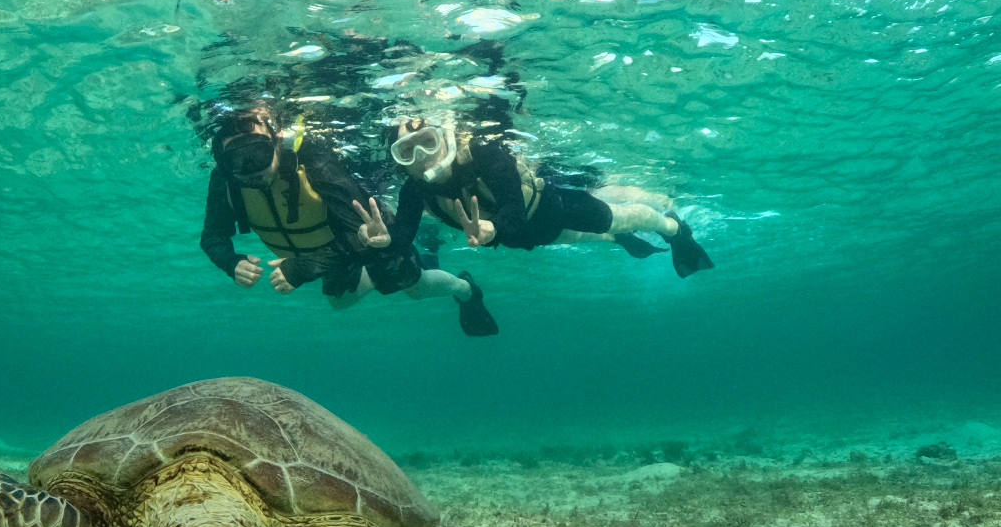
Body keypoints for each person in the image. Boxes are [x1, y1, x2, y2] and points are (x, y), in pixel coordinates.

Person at [199, 108, 499, 335]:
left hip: (369, 236)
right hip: (328, 254)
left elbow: (362, 236)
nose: (249, 169)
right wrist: (230, 261)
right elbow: (212, 236)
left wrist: (304, 266)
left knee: (414, 287)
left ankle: (465, 289)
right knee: (338, 302)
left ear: (277, 142)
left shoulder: (314, 161)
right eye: (235, 161)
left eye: (257, 154)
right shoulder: (226, 181)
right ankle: (400, 265)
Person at [382, 116, 714, 277]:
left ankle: (673, 229)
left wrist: (491, 229)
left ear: (444, 136)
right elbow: (403, 236)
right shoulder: (415, 189)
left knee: (626, 217)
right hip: (529, 238)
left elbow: (513, 208)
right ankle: (618, 239)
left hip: (558, 211)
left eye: (427, 142)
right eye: (406, 152)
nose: (421, 156)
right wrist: (383, 239)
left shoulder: (485, 156)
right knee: (599, 238)